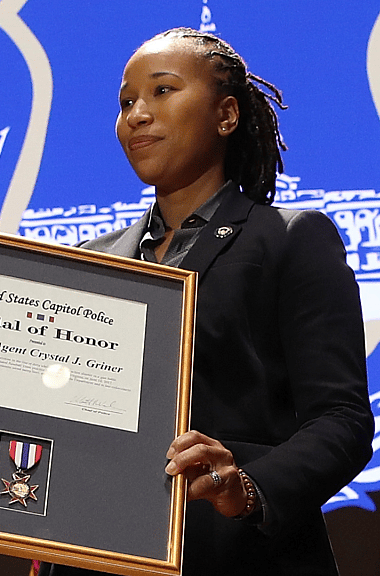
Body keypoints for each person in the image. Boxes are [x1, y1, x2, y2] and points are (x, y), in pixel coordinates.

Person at [42, 28, 373, 575]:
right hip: (99, 555)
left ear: (226, 115)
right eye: (126, 102)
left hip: (239, 555)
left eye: (162, 91)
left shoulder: (291, 239)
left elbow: (341, 420)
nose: (138, 114)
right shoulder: (89, 259)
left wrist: (244, 486)